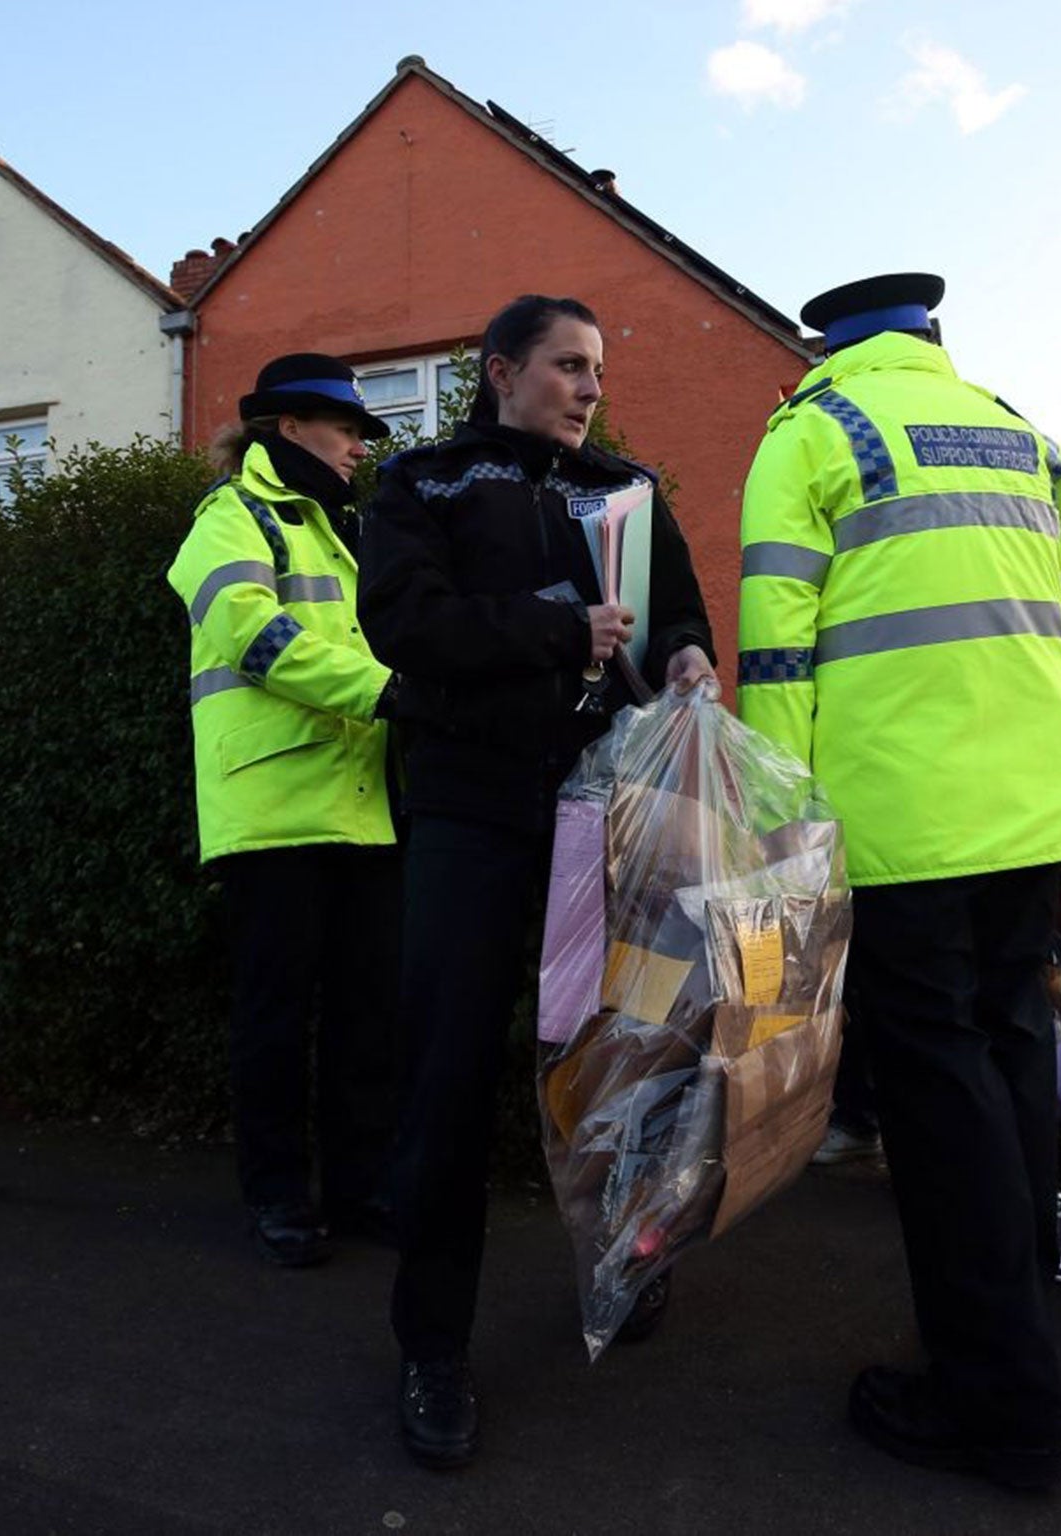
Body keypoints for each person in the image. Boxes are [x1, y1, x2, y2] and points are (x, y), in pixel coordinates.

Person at [736, 272, 1061, 1492]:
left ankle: (1000, 1412)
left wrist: (782, 823)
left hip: (903, 823)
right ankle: (1014, 1355)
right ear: (927, 342)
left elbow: (779, 648)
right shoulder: (1024, 438)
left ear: (823, 345)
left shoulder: (813, 433)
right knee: (1005, 1076)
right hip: (1033, 809)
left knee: (939, 1114)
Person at [359, 294, 715, 1470]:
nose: (589, 386)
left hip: (602, 819)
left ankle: (628, 1259)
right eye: (567, 365)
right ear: (501, 370)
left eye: (598, 368)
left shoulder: (628, 488)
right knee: (451, 1070)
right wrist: (560, 629)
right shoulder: (426, 482)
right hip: (469, 813)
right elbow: (404, 621)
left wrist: (687, 659)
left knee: (617, 1049)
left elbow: (675, 622)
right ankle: (433, 1348)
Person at [165, 353, 407, 1270]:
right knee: (275, 1015)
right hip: (272, 806)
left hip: (358, 801)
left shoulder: (342, 530)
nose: (357, 448)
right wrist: (392, 693)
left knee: (364, 1015)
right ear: (290, 428)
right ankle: (276, 1195)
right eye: (346, 430)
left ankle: (357, 1188)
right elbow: (255, 638)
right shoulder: (231, 517)